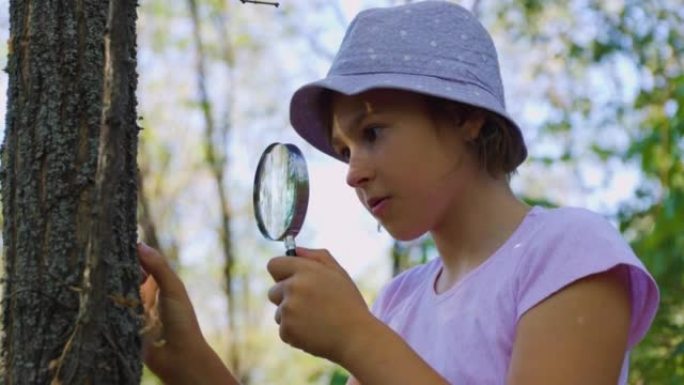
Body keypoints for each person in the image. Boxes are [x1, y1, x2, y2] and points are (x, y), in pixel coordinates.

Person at [139, 1, 659, 384]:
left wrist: (356, 337)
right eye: (344, 151)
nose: (352, 173)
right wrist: (189, 364)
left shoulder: (568, 252)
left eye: (373, 133)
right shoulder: (397, 304)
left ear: (466, 118)